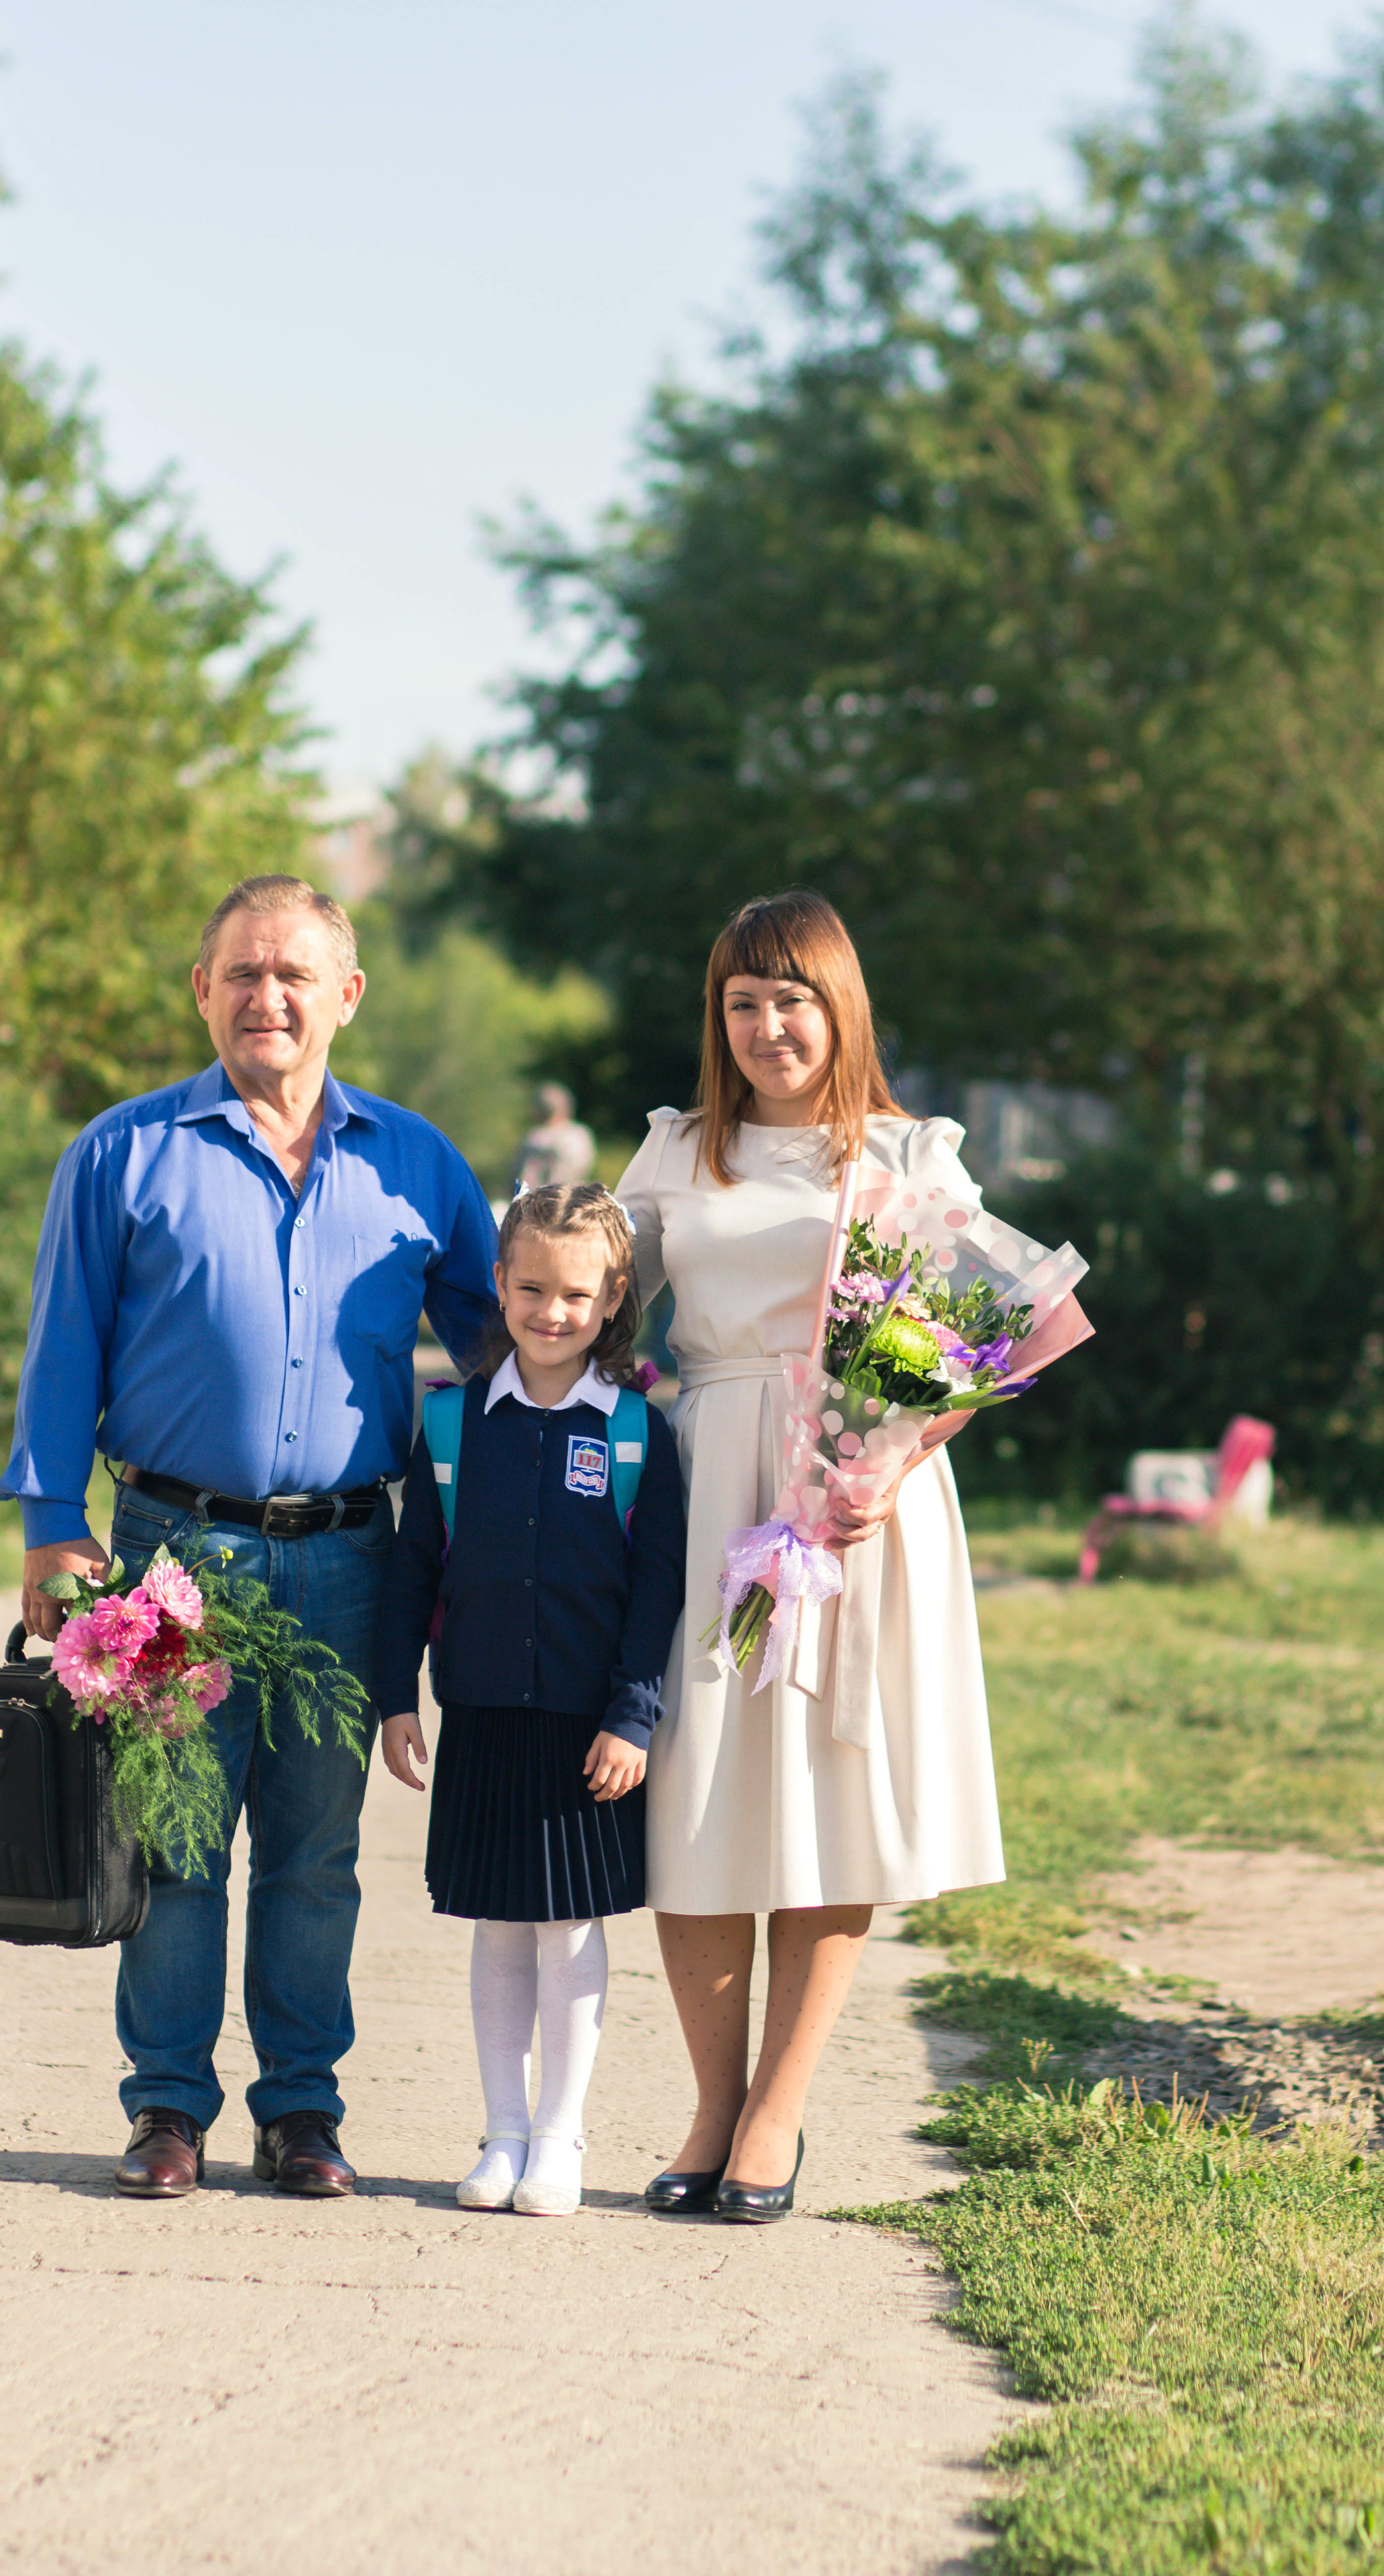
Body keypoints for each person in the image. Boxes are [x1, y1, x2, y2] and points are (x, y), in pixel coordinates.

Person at [0, 872, 498, 2202]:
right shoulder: (121, 1154)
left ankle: (301, 2114)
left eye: (292, 975)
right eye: (240, 973)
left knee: (313, 1855)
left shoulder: (419, 1165)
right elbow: (62, 1354)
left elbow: (517, 1342)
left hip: (351, 1559)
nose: (265, 997)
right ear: (204, 992)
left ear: (345, 997)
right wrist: (54, 1529)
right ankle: (167, 2107)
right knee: (169, 1845)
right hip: (172, 1559)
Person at [615, 889, 1004, 2224]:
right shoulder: (675, 1155)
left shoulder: (907, 1154)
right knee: (704, 1786)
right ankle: (708, 2106)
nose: (766, 1025)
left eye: (791, 999)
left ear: (840, 1007)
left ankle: (775, 2112)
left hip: (856, 1503)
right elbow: (595, 1311)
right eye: (741, 1002)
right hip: (716, 1485)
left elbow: (975, 1339)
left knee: (826, 1791)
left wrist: (891, 1455)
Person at [376, 1184, 687, 2216]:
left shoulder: (643, 1432)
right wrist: (397, 1698)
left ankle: (561, 2137)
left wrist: (632, 1714)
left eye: (577, 1295)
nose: (552, 1312)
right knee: (499, 1927)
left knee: (569, 1928)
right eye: (532, 1288)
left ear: (612, 1304)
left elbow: (660, 1591)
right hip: (483, 1719)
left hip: (587, 1731)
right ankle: (502, 2133)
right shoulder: (455, 1424)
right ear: (500, 1288)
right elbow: (414, 1569)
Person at [512, 1081, 596, 1193]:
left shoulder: (534, 1138)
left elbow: (522, 1178)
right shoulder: (579, 1135)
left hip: (538, 1201)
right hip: (569, 1200)